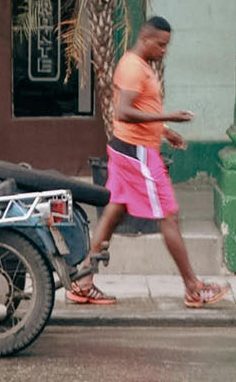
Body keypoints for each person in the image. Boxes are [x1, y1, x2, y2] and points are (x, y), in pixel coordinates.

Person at [68, 17, 227, 309]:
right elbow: (124, 111)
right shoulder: (131, 68)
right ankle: (193, 287)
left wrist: (165, 132)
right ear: (145, 39)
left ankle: (83, 281)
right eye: (161, 45)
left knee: (114, 211)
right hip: (136, 152)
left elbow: (142, 109)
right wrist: (168, 118)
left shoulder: (142, 67)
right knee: (169, 215)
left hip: (129, 148)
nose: (165, 51)